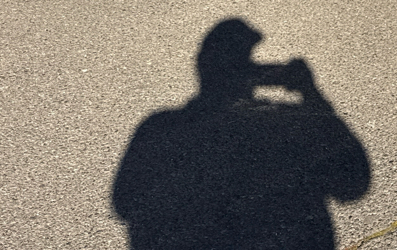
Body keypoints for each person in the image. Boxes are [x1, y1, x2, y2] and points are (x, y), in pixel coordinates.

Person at [112, 19, 370, 250]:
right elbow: (353, 183)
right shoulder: (288, 125)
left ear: (203, 70)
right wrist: (313, 97)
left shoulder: (160, 129)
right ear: (256, 75)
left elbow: (123, 203)